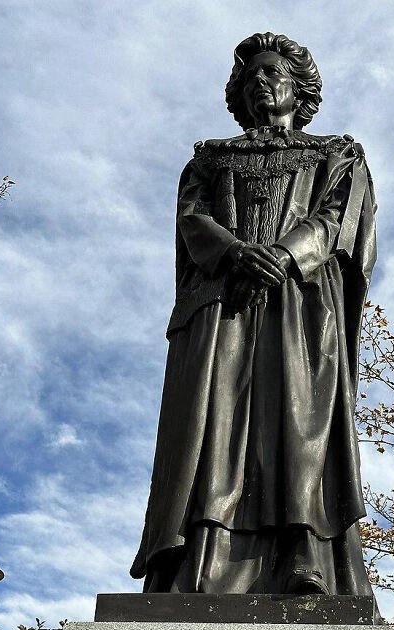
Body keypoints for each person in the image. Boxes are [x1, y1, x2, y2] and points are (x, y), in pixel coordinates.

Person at [130, 32, 377, 595]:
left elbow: (339, 220)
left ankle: (302, 552)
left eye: (272, 72)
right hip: (222, 303)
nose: (259, 82)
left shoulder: (336, 155)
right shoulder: (210, 160)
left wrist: (287, 254)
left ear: (299, 88)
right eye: (250, 77)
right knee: (213, 423)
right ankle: (199, 559)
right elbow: (193, 220)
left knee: (296, 421)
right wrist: (236, 253)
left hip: (302, 304)